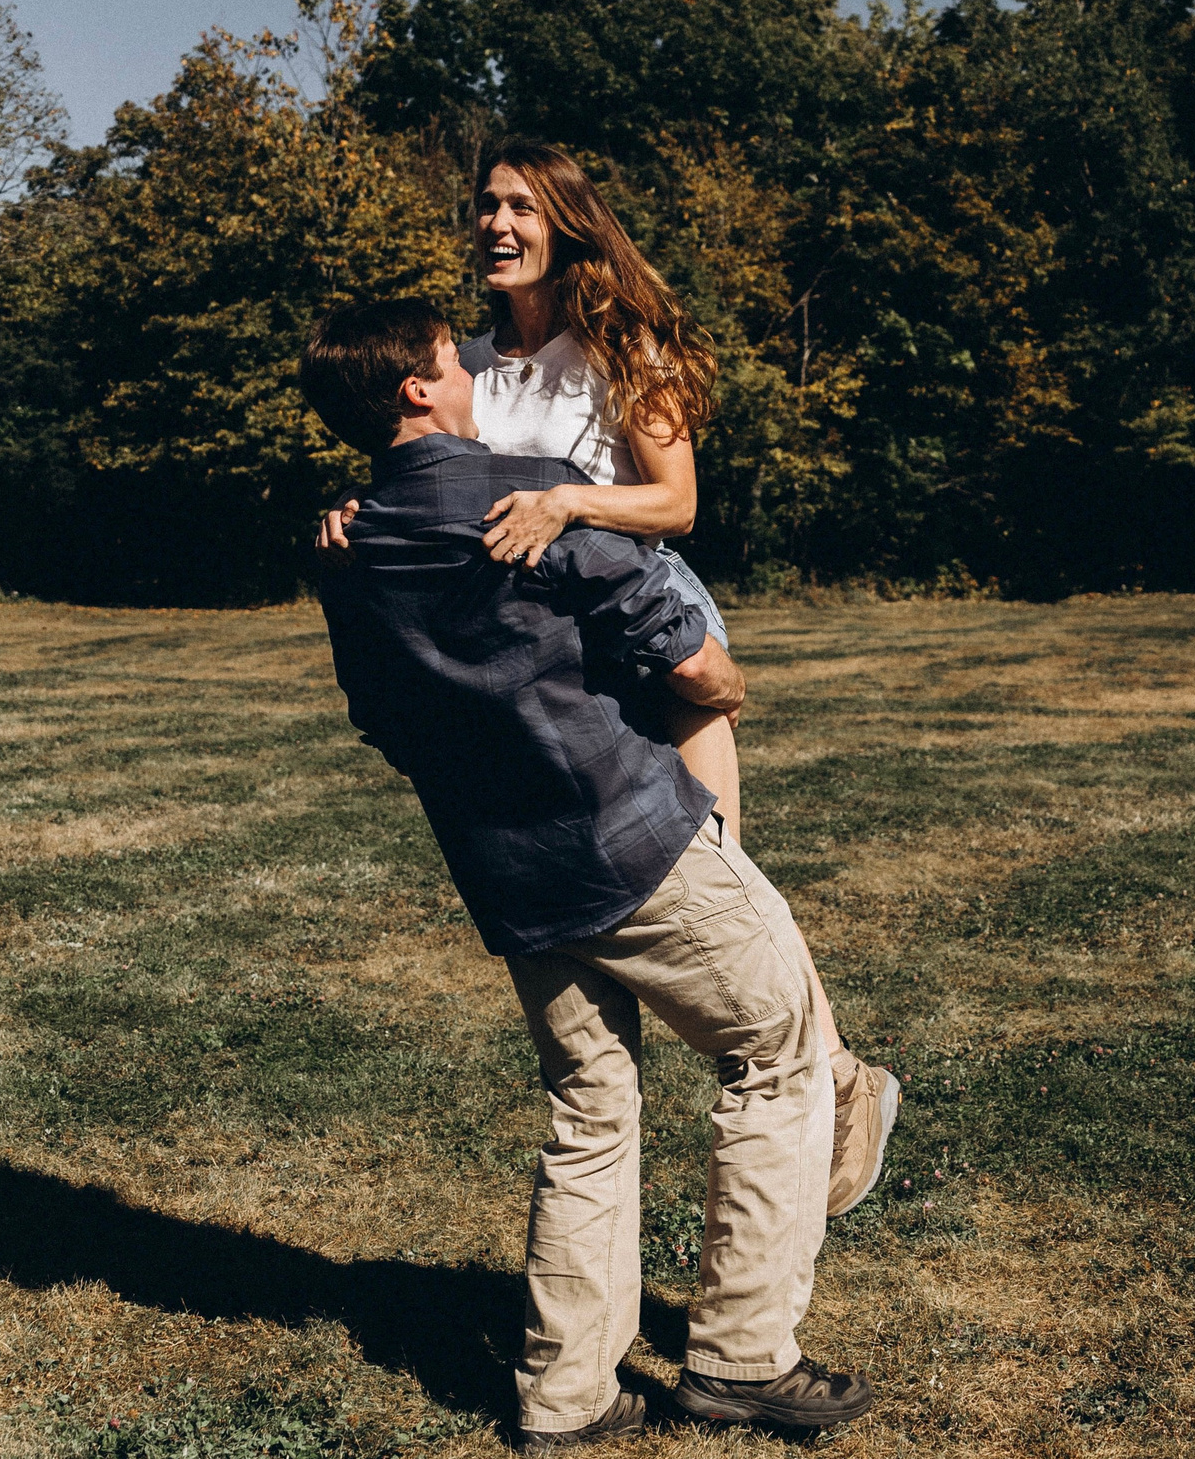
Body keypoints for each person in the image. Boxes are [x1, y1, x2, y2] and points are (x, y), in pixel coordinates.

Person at [301, 295, 877, 1451]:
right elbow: (697, 663)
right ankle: (741, 1358)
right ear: (419, 389)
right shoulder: (522, 492)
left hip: (507, 872)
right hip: (630, 841)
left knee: (592, 1104)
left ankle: (567, 1395)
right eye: (443, 357)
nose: (464, 363)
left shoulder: (350, 543)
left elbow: (381, 715)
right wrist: (711, 694)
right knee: (780, 1052)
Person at [317, 138, 898, 1219]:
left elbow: (674, 503)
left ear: (566, 223)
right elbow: (440, 477)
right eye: (485, 206)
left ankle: (834, 1082)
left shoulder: (620, 343)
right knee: (658, 892)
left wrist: (570, 503)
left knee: (720, 867)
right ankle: (782, 1091)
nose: (495, 225)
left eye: (520, 209)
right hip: (553, 663)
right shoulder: (474, 364)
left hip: (650, 632)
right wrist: (359, 511)